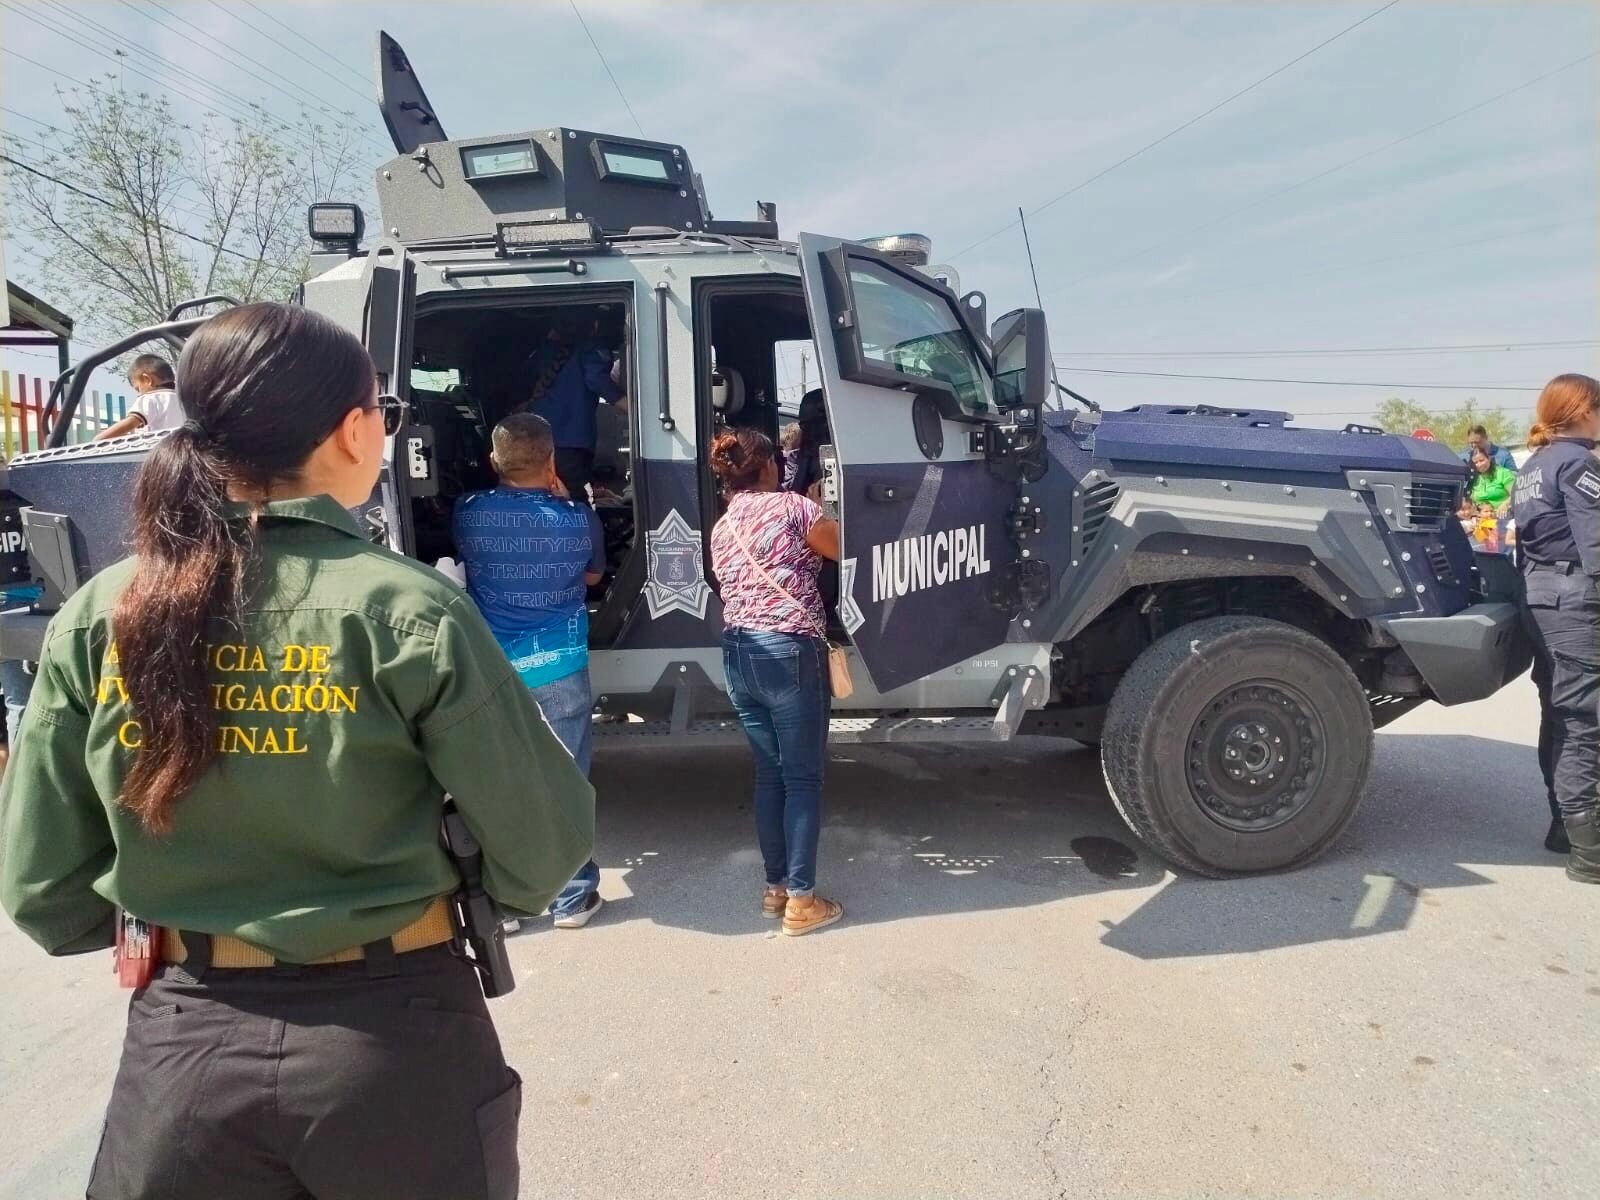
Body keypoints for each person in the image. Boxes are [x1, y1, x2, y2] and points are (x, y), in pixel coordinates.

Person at [0, 302, 594, 1199]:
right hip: (398, 1044)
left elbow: (42, 889)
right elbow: (543, 845)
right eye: (383, 419)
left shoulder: (103, 613)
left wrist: (170, 917)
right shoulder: (410, 610)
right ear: (353, 431)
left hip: (184, 1048)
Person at [454, 412, 607, 930]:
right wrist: (565, 503)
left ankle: (507, 903)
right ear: (552, 460)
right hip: (560, 665)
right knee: (564, 782)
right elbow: (591, 576)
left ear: (493, 461)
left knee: (499, 783)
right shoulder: (577, 517)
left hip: (492, 670)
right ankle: (573, 899)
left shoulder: (468, 511)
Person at [709, 428, 844, 936]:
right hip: (788, 649)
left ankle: (775, 889)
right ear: (768, 465)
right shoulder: (794, 509)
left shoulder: (724, 525)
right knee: (803, 779)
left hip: (739, 652)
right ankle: (803, 903)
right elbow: (840, 550)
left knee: (769, 775)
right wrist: (820, 509)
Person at [1510, 372, 1600, 877]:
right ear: (1584, 409)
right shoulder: (1579, 463)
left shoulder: (1535, 465)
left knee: (1561, 715)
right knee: (1584, 723)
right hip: (1574, 599)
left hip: (1541, 598)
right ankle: (1590, 852)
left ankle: (1565, 829)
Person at [521, 316, 626, 500]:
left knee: (542, 497)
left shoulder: (542, 351)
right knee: (575, 500)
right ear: (593, 325)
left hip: (536, 442)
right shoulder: (591, 349)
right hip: (571, 443)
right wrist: (629, 405)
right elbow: (596, 379)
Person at [96, 353, 182, 440]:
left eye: (138, 388)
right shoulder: (184, 399)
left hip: (161, 449)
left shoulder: (151, 398)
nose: (138, 394)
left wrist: (98, 439)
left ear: (147, 379)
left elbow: (130, 423)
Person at [782, 388, 830, 498]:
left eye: (811, 424)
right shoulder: (805, 453)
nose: (805, 431)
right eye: (802, 425)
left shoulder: (833, 458)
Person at [1467, 445, 1517, 510]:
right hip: (1483, 517)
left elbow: (1516, 494)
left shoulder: (1503, 473)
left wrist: (1506, 504)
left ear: (1489, 459)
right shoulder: (1474, 478)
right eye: (1475, 462)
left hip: (1505, 514)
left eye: (1482, 460)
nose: (1479, 464)